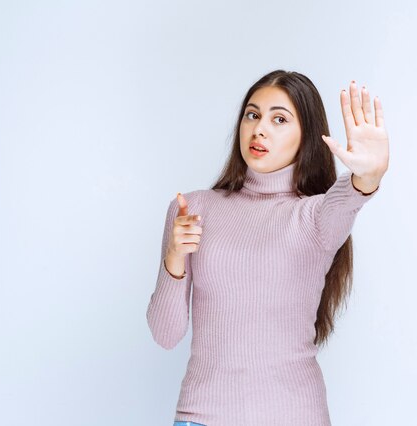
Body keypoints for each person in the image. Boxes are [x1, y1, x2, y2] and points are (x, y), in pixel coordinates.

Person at [147, 69, 390, 426]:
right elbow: (165, 335)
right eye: (252, 114)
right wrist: (173, 259)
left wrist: (369, 176)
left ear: (306, 136)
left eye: (279, 119)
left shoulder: (316, 217)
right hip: (201, 417)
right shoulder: (193, 209)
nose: (260, 129)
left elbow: (350, 195)